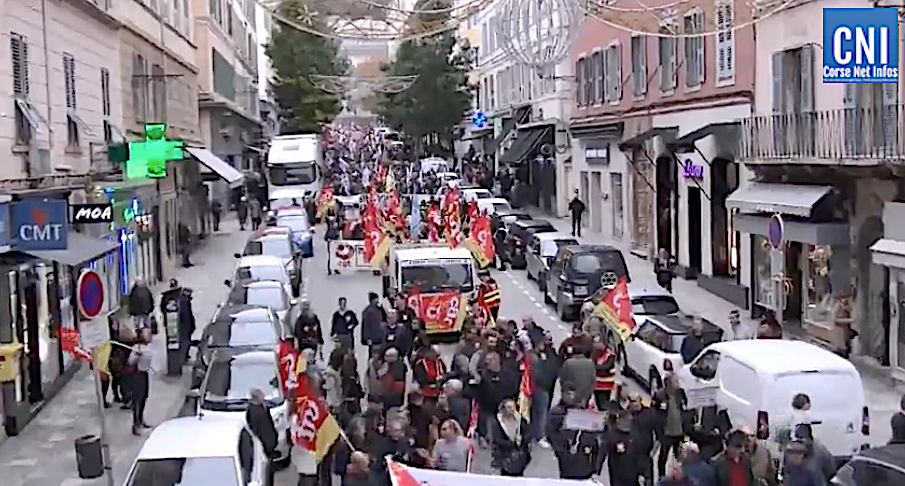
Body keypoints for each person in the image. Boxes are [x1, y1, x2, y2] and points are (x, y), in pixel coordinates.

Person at [547, 384, 605, 479]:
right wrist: (560, 451)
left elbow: (596, 446)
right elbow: (551, 432)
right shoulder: (561, 413)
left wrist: (595, 468)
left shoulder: (588, 417)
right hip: (567, 461)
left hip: (585, 463)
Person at [654, 373, 689, 478]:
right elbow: (654, 411)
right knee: (663, 457)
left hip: (679, 432)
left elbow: (685, 407)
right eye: (675, 381)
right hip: (667, 432)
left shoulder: (680, 394)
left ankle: (677, 475)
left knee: (679, 457)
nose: (678, 383)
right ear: (669, 383)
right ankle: (661, 476)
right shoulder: (660, 395)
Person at [530, 334, 561, 447]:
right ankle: (539, 435)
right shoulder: (535, 358)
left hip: (539, 387)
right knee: (541, 412)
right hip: (541, 388)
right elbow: (539, 374)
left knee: (536, 412)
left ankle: (534, 433)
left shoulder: (540, 355)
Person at [491, 399, 531, 476]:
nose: (511, 409)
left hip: (519, 456)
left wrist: (522, 439)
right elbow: (497, 439)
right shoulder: (497, 423)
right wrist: (512, 444)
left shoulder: (520, 420)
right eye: (509, 407)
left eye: (513, 407)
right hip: (503, 455)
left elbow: (528, 433)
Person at [246, 388, 278, 486]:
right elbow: (257, 429)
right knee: (265, 472)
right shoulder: (254, 411)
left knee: (269, 470)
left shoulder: (263, 408)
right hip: (263, 446)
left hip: (268, 445)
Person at [606, 410, 644, 486]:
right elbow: (608, 449)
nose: (628, 422)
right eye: (626, 420)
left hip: (632, 474)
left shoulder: (635, 434)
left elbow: (640, 453)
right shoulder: (613, 434)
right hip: (618, 474)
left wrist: (642, 472)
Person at [128, 328, 153, 436]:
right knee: (137, 399)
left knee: (144, 397)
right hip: (137, 374)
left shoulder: (148, 348)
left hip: (145, 374)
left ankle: (141, 419)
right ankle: (135, 424)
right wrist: (136, 357)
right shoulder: (136, 348)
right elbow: (130, 361)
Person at [591, 338, 617, 409]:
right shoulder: (594, 355)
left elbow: (605, 367)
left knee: (603, 404)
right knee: (598, 403)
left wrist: (595, 367)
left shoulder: (610, 356)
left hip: (606, 385)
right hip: (597, 384)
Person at [361, 292, 386, 358]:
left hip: (380, 336)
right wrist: (366, 338)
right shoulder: (368, 311)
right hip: (373, 338)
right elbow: (365, 325)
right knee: (373, 355)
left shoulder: (379, 309)